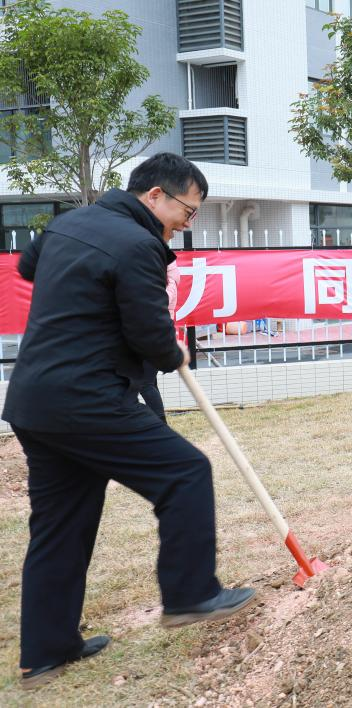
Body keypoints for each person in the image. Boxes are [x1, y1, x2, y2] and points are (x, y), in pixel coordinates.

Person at [2, 153, 254, 689]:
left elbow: (28, 269)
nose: (186, 224)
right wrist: (171, 352)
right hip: (84, 399)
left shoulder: (69, 222)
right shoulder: (140, 244)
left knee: (60, 523)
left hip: (33, 400)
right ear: (155, 196)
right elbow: (149, 332)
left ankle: (45, 652)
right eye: (187, 212)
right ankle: (190, 595)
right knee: (185, 472)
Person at [140, 260, 181, 422]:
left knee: (145, 383)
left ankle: (160, 423)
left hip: (156, 334)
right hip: (149, 334)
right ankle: (157, 422)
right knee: (149, 381)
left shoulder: (168, 284)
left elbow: (157, 302)